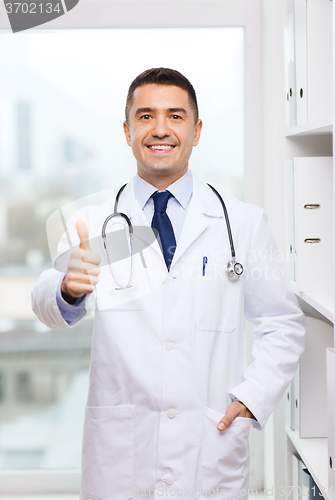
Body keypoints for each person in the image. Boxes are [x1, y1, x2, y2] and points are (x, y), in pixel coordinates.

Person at [32, 67, 306, 500]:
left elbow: (283, 324)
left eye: (176, 116)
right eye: (145, 116)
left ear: (196, 131)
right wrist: (68, 288)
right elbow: (46, 304)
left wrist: (251, 399)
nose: (160, 129)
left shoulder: (243, 224)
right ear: (127, 131)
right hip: (121, 458)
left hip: (209, 452)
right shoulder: (93, 223)